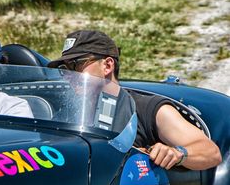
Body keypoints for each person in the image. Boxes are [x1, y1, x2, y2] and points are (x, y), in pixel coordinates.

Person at [48, 30, 222, 170]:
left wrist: (176, 154)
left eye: (76, 64)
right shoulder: (67, 114)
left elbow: (210, 152)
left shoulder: (147, 109)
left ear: (108, 65)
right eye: (64, 68)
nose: (69, 75)